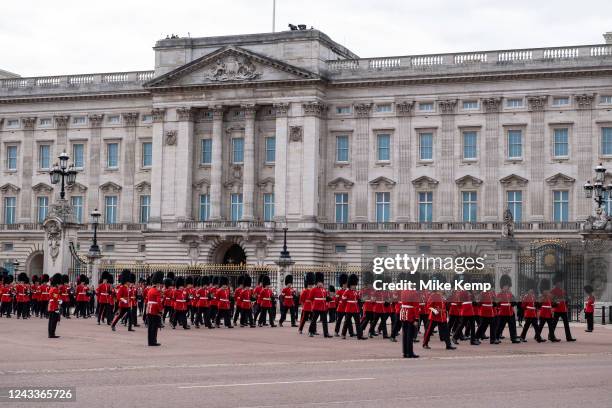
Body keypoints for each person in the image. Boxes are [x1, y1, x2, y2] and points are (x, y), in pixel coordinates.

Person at [422, 275, 455, 350]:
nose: (443, 290)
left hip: (442, 317)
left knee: (446, 332)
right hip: (434, 316)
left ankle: (448, 345)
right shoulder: (434, 295)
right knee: (429, 331)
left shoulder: (442, 296)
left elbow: (445, 305)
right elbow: (428, 306)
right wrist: (435, 311)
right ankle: (425, 343)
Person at [550, 274, 576, 342]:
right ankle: (550, 335)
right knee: (554, 324)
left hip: (563, 309)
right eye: (559, 282)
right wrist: (557, 301)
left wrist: (568, 298)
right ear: (556, 282)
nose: (560, 283)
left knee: (566, 324)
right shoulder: (553, 290)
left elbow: (565, 299)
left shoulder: (563, 290)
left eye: (560, 282)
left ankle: (568, 337)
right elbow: (552, 300)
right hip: (557, 309)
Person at [496, 274, 521, 344]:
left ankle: (513, 338)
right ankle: (496, 337)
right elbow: (497, 304)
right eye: (505, 286)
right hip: (503, 312)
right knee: (500, 326)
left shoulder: (510, 294)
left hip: (510, 312)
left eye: (507, 286)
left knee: (512, 326)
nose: (506, 288)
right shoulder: (499, 294)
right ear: (502, 287)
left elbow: (514, 303)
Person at [475, 276, 500, 344]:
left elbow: (494, 302)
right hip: (484, 312)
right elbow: (479, 303)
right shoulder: (482, 293)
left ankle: (493, 339)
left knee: (493, 325)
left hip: (490, 312)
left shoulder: (491, 293)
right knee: (482, 326)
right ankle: (476, 338)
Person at [308, 272, 332, 338]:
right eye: (319, 282)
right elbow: (310, 298)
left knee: (324, 321)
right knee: (314, 320)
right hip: (316, 307)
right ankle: (311, 332)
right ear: (317, 283)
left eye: (321, 282)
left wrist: (329, 299)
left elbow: (325, 297)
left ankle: (326, 333)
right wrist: (314, 305)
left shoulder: (324, 289)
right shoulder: (313, 289)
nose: (321, 283)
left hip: (323, 307)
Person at [399, 282, 419, 358]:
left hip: (404, 313)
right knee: (410, 335)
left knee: (405, 334)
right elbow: (416, 306)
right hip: (410, 314)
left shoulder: (403, 291)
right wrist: (416, 318)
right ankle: (410, 353)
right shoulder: (414, 292)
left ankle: (405, 352)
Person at [146, 271, 165, 346]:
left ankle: (150, 341)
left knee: (150, 327)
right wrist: (160, 310)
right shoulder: (157, 291)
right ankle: (153, 341)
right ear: (158, 283)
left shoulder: (150, 290)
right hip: (154, 310)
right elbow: (159, 302)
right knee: (154, 326)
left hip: (149, 309)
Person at [47, 273, 63, 338]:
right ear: (57, 283)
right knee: (53, 320)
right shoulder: (55, 289)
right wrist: (60, 301)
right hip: (54, 306)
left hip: (52, 306)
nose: (60, 286)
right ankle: (51, 334)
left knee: (51, 320)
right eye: (59, 284)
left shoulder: (52, 288)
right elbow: (55, 298)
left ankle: (51, 333)